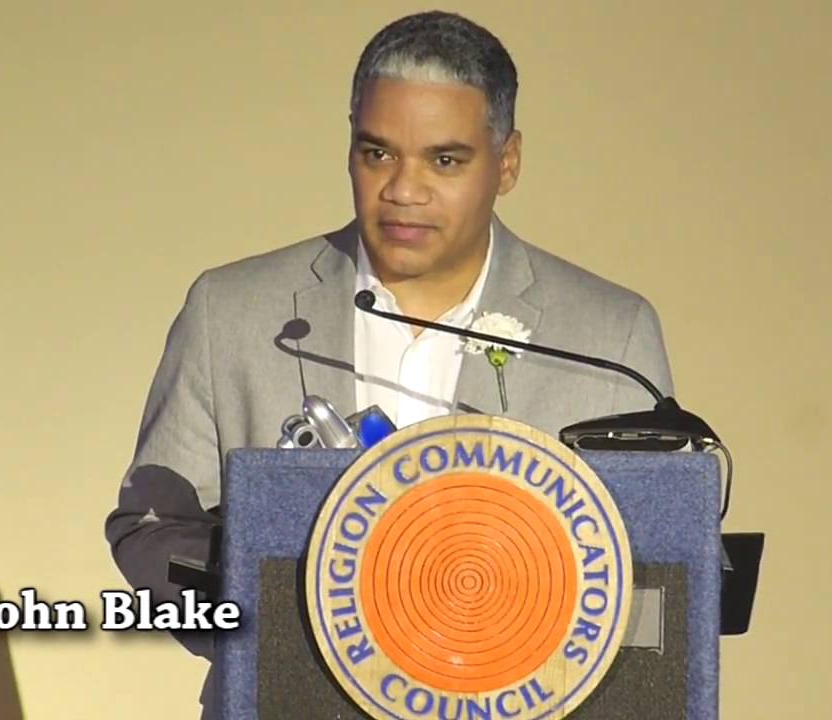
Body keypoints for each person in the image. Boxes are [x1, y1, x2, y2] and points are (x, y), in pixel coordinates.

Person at [104, 9, 676, 715]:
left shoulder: (611, 336)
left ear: (507, 163)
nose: (404, 190)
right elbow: (152, 528)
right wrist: (270, 608)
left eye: (444, 160)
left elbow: (656, 576)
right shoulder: (232, 312)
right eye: (378, 153)